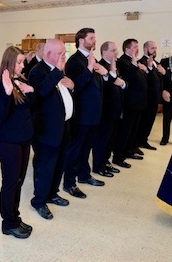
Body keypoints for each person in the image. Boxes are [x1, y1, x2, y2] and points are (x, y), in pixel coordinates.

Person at [28, 38, 74, 219]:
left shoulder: (58, 71)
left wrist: (72, 86)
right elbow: (41, 92)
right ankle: (39, 201)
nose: (64, 57)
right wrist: (58, 72)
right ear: (48, 54)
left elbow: (62, 94)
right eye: (60, 53)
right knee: (45, 166)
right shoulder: (37, 72)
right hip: (46, 130)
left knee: (60, 163)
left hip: (63, 126)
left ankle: (52, 193)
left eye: (64, 53)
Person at [0, 46, 34, 239]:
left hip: (24, 139)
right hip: (8, 141)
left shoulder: (22, 80)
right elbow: (1, 114)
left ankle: (15, 217)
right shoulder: (0, 84)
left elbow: (31, 108)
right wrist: (8, 92)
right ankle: (8, 223)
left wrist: (31, 89)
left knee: (19, 181)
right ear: (8, 63)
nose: (22, 65)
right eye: (18, 62)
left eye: (23, 61)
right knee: (10, 182)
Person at [63, 27, 108, 199]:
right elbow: (76, 86)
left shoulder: (90, 57)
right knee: (75, 149)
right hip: (81, 114)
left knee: (87, 147)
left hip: (93, 114)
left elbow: (95, 85)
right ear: (81, 40)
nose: (95, 41)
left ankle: (84, 175)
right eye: (91, 38)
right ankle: (69, 183)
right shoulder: (74, 61)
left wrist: (103, 74)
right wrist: (89, 68)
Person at [112, 38, 148, 168]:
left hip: (138, 102)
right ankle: (119, 156)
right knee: (124, 131)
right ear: (127, 49)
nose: (137, 49)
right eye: (134, 47)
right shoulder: (123, 61)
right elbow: (129, 79)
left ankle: (130, 150)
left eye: (138, 47)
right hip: (129, 103)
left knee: (133, 129)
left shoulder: (134, 62)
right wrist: (134, 63)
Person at [92, 41, 126, 178]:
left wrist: (122, 83)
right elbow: (104, 87)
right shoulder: (99, 66)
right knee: (102, 140)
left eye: (116, 50)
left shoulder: (114, 66)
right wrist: (112, 76)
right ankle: (98, 165)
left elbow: (121, 83)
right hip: (105, 110)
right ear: (104, 51)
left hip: (115, 109)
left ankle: (105, 162)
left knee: (110, 139)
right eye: (113, 50)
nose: (116, 53)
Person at [137, 41, 165, 150]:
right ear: (145, 49)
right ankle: (138, 142)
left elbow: (159, 80)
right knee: (143, 122)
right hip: (146, 99)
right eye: (152, 48)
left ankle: (144, 140)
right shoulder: (141, 63)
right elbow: (144, 81)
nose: (155, 50)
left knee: (150, 121)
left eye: (156, 48)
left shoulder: (156, 63)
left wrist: (163, 73)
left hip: (155, 98)